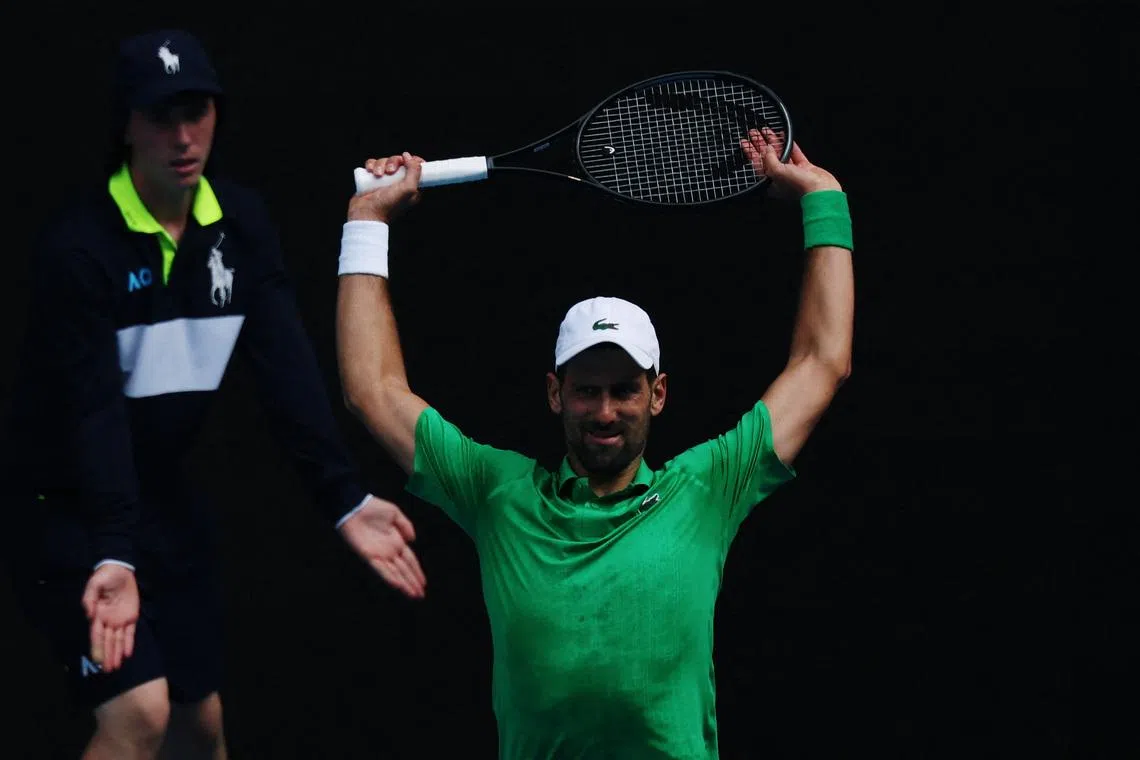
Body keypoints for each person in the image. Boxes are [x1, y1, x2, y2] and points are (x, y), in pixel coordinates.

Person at [334, 128, 854, 758]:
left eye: (624, 389)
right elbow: (372, 389)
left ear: (657, 394)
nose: (605, 411)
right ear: (555, 393)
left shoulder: (707, 487)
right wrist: (367, 221)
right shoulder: (498, 493)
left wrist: (823, 198)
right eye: (586, 390)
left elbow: (822, 363)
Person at [2, 29, 426, 760]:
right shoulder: (80, 250)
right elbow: (94, 415)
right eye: (160, 115)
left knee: (198, 727)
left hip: (165, 506)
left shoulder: (241, 225)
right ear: (125, 124)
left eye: (195, 112)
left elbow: (286, 372)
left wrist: (344, 498)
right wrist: (113, 554)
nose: (182, 136)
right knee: (139, 715)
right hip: (68, 513)